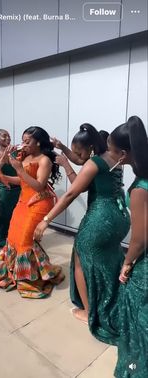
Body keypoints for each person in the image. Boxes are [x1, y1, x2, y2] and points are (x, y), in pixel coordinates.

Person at [34, 124, 130, 344]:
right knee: (110, 260)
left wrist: (45, 220)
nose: (76, 156)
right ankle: (113, 300)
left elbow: (70, 194)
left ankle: (89, 313)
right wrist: (68, 152)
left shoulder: (94, 163)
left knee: (80, 260)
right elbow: (80, 161)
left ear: (89, 149)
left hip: (100, 219)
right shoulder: (113, 159)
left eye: (79, 151)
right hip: (120, 217)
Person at [0, 126, 65, 298]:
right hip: (23, 201)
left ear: (38, 142)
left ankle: (28, 280)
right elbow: (23, 182)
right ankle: (18, 271)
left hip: (38, 203)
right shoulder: (25, 156)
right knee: (14, 237)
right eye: (23, 140)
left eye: (27, 141)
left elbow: (39, 185)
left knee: (25, 241)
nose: (23, 144)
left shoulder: (45, 160)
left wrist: (19, 168)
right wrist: (5, 177)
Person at [107, 116, 148, 378]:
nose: (110, 157)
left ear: (123, 154)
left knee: (137, 322)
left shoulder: (140, 187)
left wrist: (127, 263)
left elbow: (141, 238)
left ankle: (136, 369)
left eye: (111, 151)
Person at [0, 129, 20, 248]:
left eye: (8, 136)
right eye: (4, 136)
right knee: (5, 213)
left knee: (17, 213)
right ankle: (0, 238)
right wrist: (4, 156)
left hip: (19, 186)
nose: (8, 138)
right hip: (5, 188)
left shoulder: (16, 151)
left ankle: (13, 236)